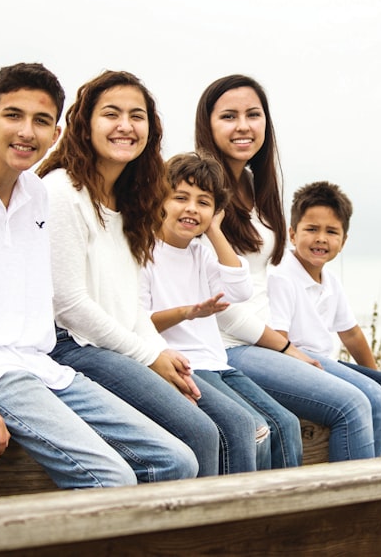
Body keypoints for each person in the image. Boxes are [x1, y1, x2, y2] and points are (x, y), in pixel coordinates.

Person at [0, 62, 197, 490]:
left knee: (176, 461)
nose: (27, 132)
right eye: (13, 116)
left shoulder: (35, 193)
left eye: (41, 121)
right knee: (111, 478)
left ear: (56, 134)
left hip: (40, 366)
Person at [40, 70, 249, 477]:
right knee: (199, 434)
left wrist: (161, 353)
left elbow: (132, 303)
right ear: (85, 124)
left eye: (137, 116)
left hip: (115, 345)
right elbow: (68, 303)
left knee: (224, 424)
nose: (125, 126)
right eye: (111, 114)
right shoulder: (62, 191)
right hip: (72, 347)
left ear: (150, 131)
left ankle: (222, 536)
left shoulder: (131, 204)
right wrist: (149, 355)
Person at [195, 74, 379, 462]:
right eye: (229, 116)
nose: (243, 126)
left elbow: (263, 281)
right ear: (208, 126)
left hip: (267, 343)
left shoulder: (254, 184)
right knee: (351, 405)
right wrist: (284, 347)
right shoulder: (201, 192)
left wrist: (285, 344)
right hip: (232, 346)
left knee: (376, 397)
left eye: (253, 114)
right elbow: (218, 303)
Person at [141, 152, 303, 471]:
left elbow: (239, 289)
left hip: (219, 364)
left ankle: (284, 511)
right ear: (160, 198)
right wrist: (186, 312)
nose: (191, 209)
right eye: (181, 198)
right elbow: (139, 323)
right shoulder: (145, 252)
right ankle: (240, 517)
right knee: (249, 428)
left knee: (286, 423)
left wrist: (215, 230)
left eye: (204, 202)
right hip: (186, 365)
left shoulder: (201, 254)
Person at [270, 181, 381, 454]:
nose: (321, 238)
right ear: (293, 235)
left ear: (343, 242)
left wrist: (373, 376)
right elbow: (279, 343)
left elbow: (352, 334)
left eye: (331, 232)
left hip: (322, 363)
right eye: (311, 229)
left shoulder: (330, 281)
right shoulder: (281, 275)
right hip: (298, 366)